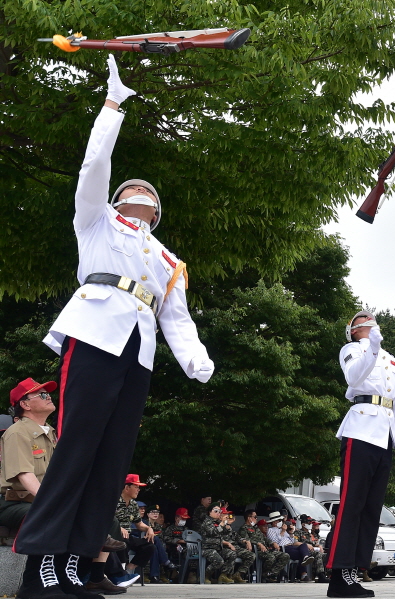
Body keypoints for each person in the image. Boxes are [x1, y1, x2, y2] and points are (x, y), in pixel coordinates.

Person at [13, 55, 215, 599]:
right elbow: (94, 163)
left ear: (158, 210)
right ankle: (41, 568)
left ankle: (78, 564)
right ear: (120, 199)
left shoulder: (167, 258)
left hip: (139, 350)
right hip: (98, 332)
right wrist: (112, 105)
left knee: (110, 458)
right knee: (77, 447)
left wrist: (195, 359)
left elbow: (176, 315)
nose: (140, 194)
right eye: (133, 190)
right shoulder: (97, 220)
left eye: (149, 195)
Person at [327, 310, 395, 598]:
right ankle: (339, 573)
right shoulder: (351, 350)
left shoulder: (392, 361)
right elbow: (353, 377)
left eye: (370, 318)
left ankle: (355, 570)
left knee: (372, 508)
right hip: (360, 429)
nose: (367, 319)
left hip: (384, 434)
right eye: (360, 320)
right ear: (353, 330)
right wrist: (372, 348)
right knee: (352, 504)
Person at [0, 379, 58, 531]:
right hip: (15, 503)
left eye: (48, 394)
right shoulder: (17, 432)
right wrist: (51, 502)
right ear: (25, 405)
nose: (49, 397)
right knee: (53, 517)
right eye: (42, 395)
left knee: (106, 520)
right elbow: (24, 474)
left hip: (38, 501)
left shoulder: (50, 432)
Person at [115, 475, 155, 582]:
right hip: (114, 535)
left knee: (149, 546)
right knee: (122, 543)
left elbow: (139, 524)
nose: (138, 490)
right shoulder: (114, 501)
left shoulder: (133, 504)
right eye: (136, 486)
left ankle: (129, 569)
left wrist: (149, 529)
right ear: (127, 488)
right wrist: (118, 528)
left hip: (128, 535)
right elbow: (106, 520)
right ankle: (119, 575)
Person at [238, 511, 290, 582]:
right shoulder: (243, 528)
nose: (256, 519)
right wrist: (258, 544)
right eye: (255, 517)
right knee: (271, 557)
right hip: (256, 550)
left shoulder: (255, 528)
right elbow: (246, 540)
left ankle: (269, 574)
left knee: (285, 556)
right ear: (249, 518)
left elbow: (265, 539)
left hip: (265, 549)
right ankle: (264, 575)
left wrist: (273, 543)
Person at [199, 504, 237, 584]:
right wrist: (222, 523)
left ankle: (223, 576)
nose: (218, 513)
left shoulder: (217, 522)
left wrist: (228, 524)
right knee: (219, 561)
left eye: (219, 511)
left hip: (218, 548)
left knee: (232, 554)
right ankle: (205, 576)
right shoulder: (207, 522)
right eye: (216, 511)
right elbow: (213, 532)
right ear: (210, 512)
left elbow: (226, 533)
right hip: (207, 548)